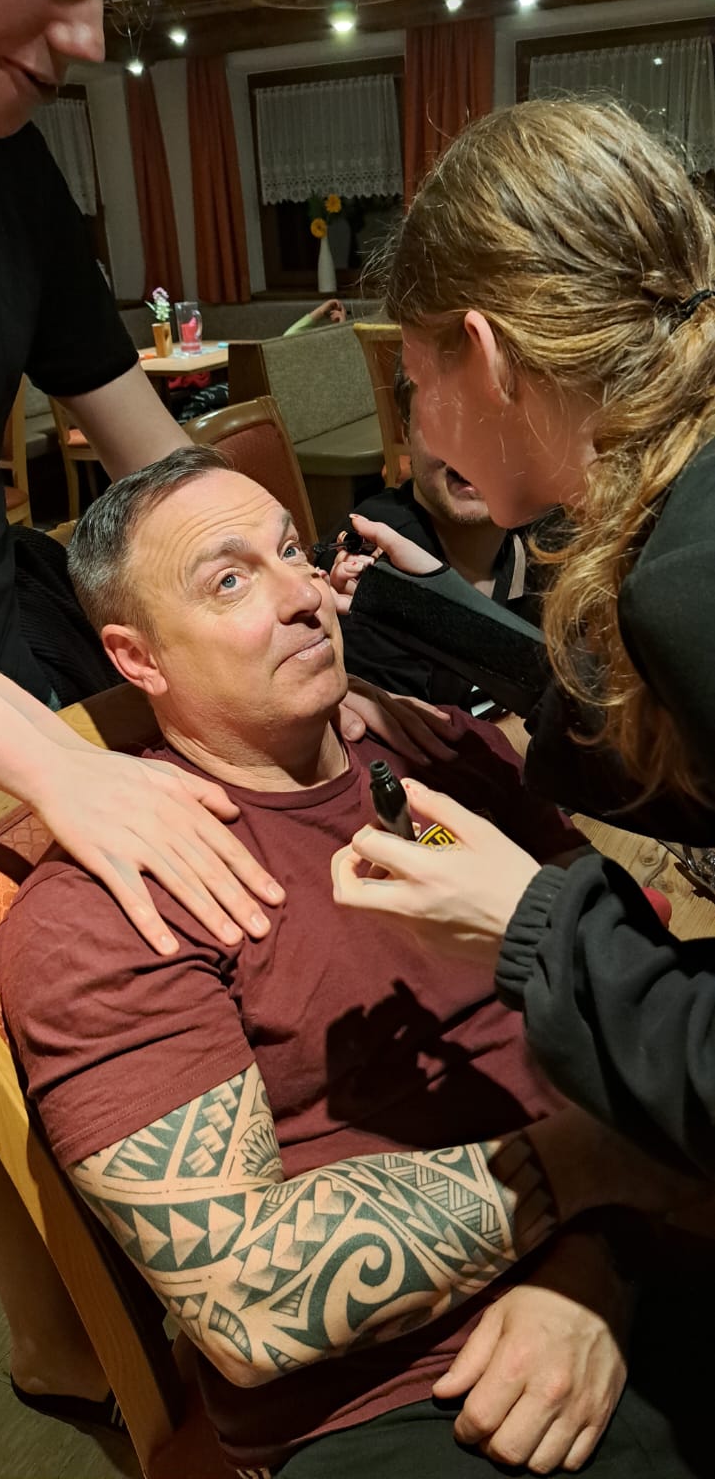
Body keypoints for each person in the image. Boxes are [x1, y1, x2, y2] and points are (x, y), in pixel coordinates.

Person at [0, 448, 698, 1477]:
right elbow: (246, 1296)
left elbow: (638, 993)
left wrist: (590, 1265)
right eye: (228, 580)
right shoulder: (115, 903)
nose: (299, 595)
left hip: (641, 1241)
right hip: (420, 1392)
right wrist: (595, 1165)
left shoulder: (439, 749)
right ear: (137, 659)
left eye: (293, 550)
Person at [0, 0, 453, 1425]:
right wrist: (57, 764)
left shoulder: (13, 166)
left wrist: (275, 571)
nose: (81, 41)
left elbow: (146, 447)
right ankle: (68, 1326)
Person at [330, 96, 715, 1181]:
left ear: (486, 354)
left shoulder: (688, 578)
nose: (421, 428)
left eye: (416, 383)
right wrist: (427, 611)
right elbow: (649, 722)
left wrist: (526, 918)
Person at [317, 363, 548, 713]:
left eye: (500, 417)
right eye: (443, 418)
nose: (473, 445)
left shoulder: (551, 537)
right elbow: (424, 742)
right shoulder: (367, 571)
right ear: (406, 431)